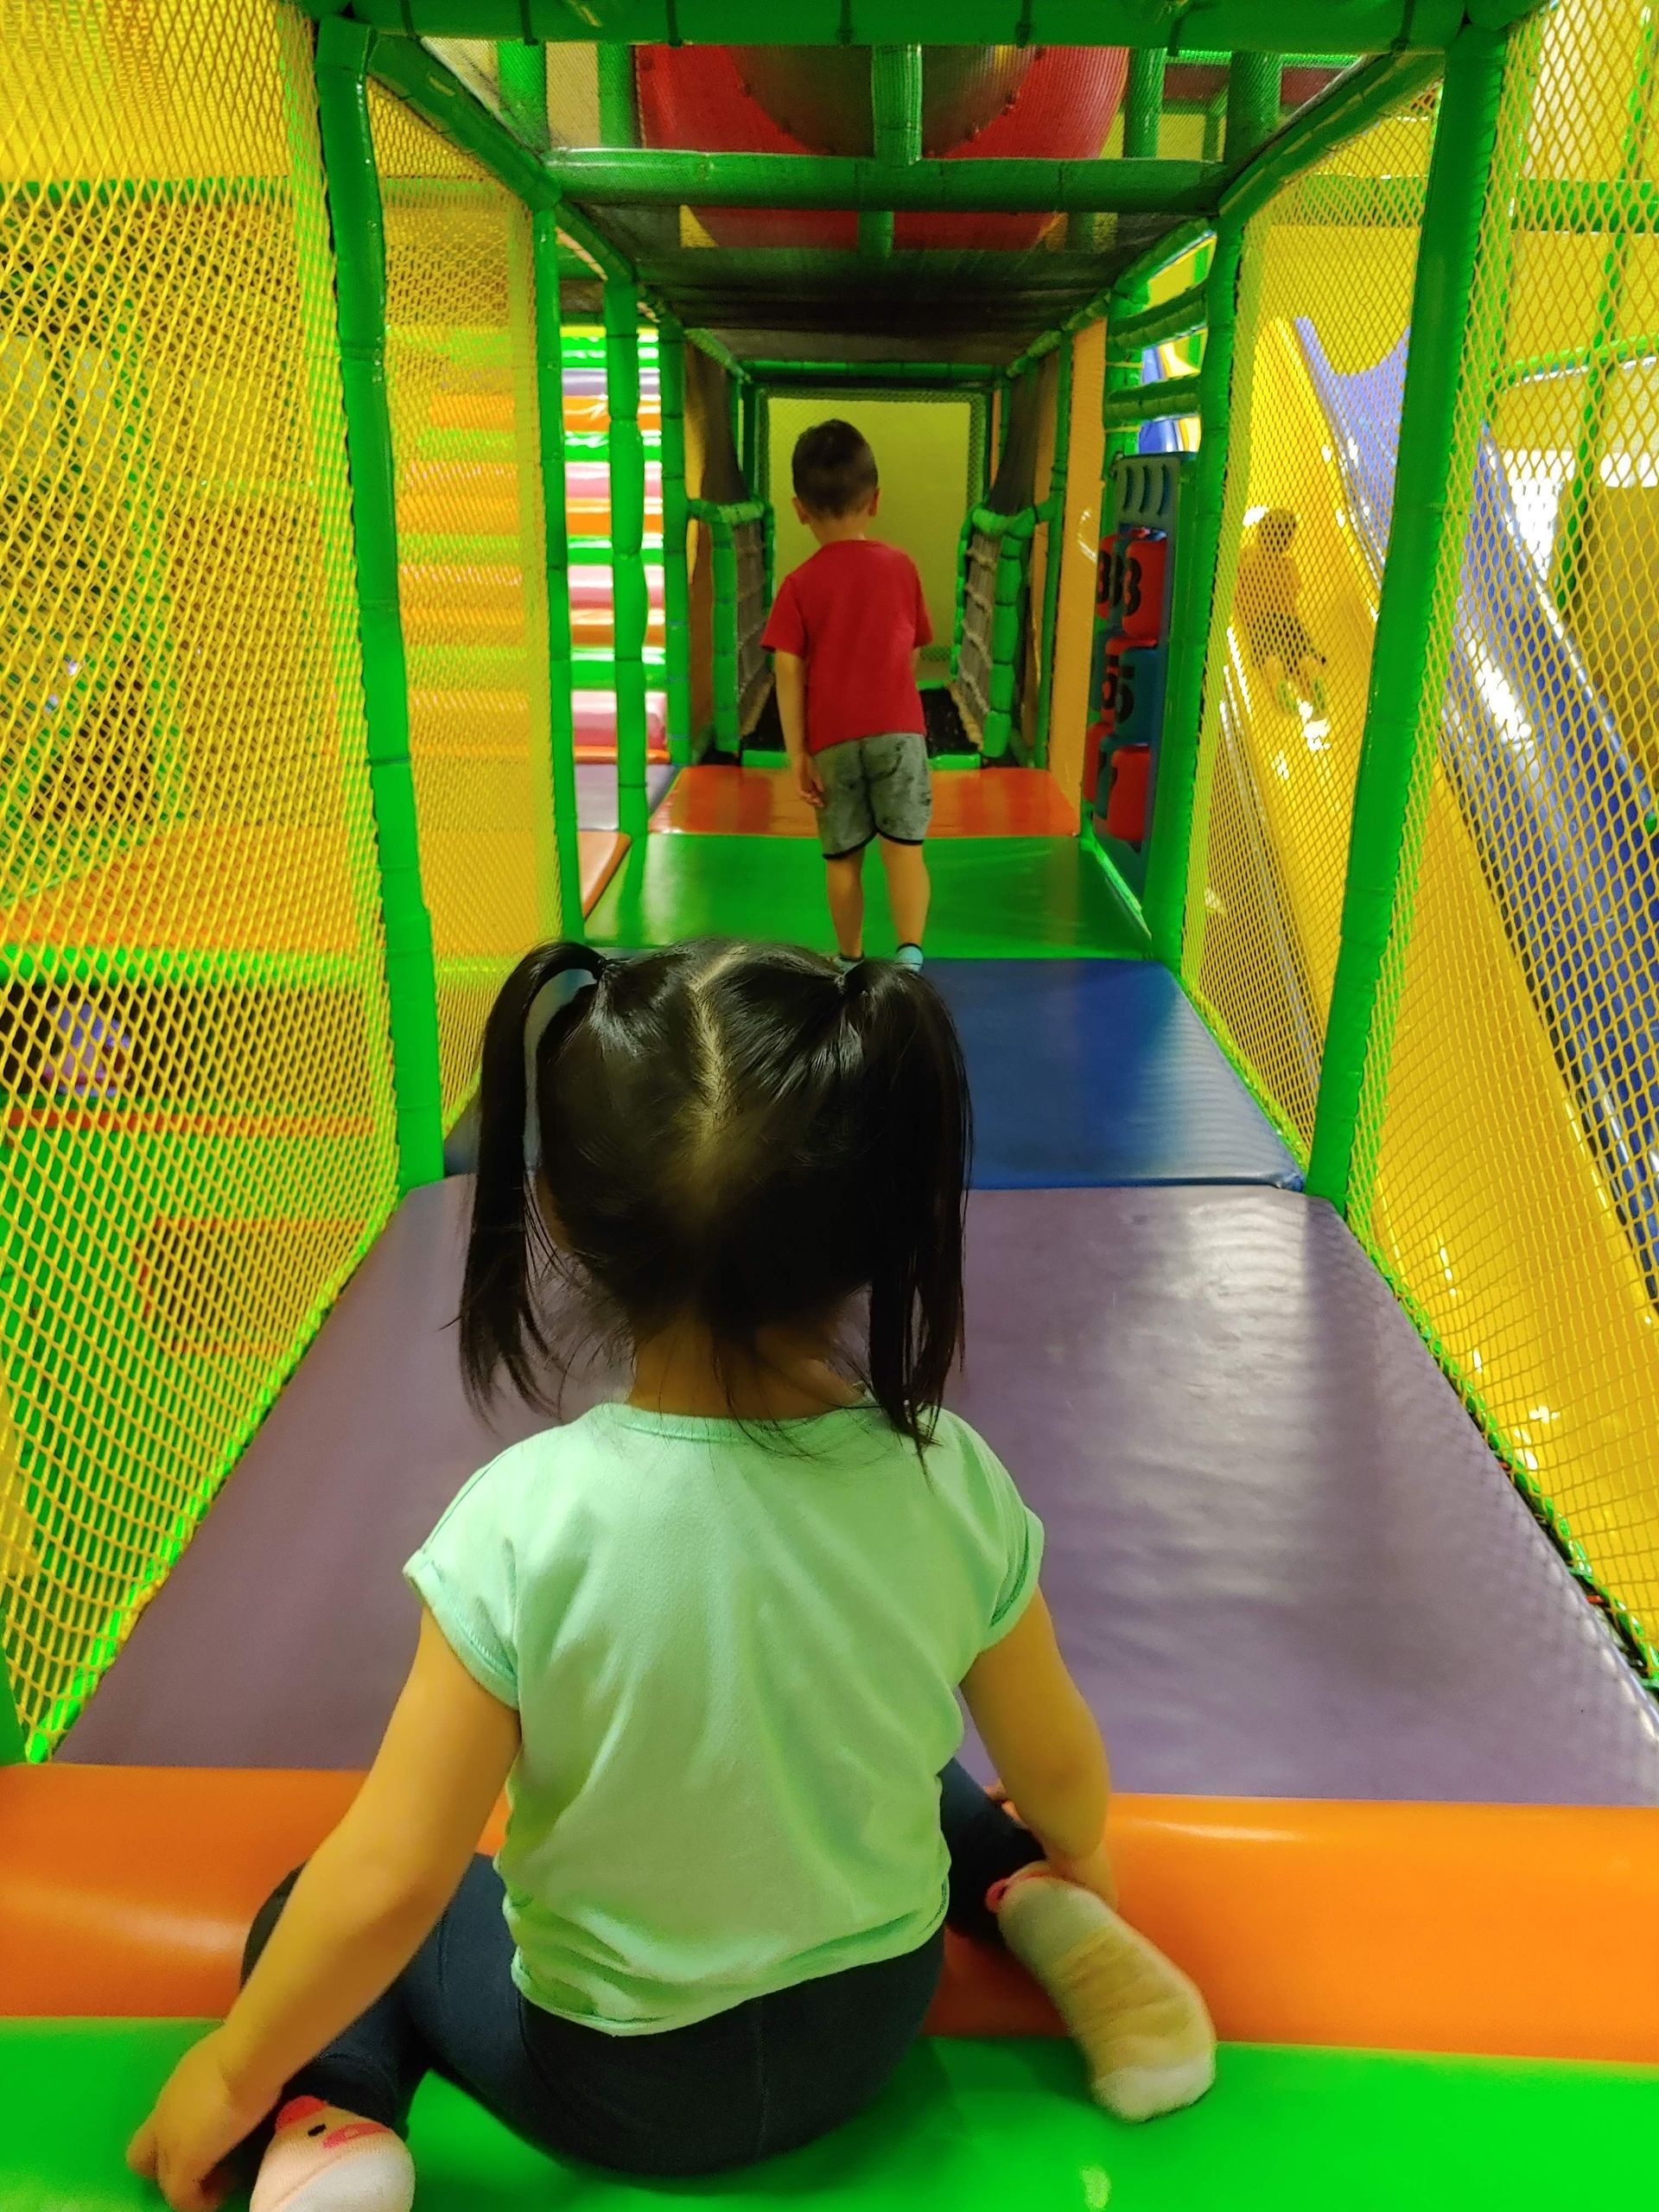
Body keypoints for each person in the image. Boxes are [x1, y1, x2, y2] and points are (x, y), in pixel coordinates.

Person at [128, 941, 1214, 2212]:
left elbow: (392, 1879)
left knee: (315, 1902)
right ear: (875, 1225)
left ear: (570, 1220)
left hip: (615, 2086)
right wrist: (1079, 1853)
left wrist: (231, 2070)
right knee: (920, 1765)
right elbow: (1056, 1767)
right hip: (870, 2027)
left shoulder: (523, 1527)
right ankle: (1039, 1907)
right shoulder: (948, 1478)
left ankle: (338, 2137)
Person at [763, 421, 935, 971]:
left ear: (799, 509)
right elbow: (912, 653)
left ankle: (850, 959)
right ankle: (909, 954)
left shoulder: (798, 584)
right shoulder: (901, 567)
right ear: (876, 500)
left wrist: (798, 753)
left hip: (834, 740)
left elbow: (787, 670)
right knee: (904, 849)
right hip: (900, 731)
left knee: (843, 858)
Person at [1233, 507, 1329, 715]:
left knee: (1270, 658)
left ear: (1260, 532)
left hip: (1258, 622)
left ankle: (1281, 691)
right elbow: (1294, 589)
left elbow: (1234, 583)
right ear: (1287, 542)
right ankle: (1315, 684)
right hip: (1290, 622)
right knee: (1303, 655)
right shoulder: (1288, 565)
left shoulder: (1247, 555)